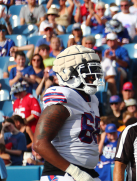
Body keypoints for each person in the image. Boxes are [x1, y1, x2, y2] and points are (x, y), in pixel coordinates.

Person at [34, 45, 104, 180]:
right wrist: (75, 172)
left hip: (87, 172)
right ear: (69, 73)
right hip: (64, 174)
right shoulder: (64, 96)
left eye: (96, 71)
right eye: (89, 72)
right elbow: (39, 143)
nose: (94, 77)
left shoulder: (93, 99)